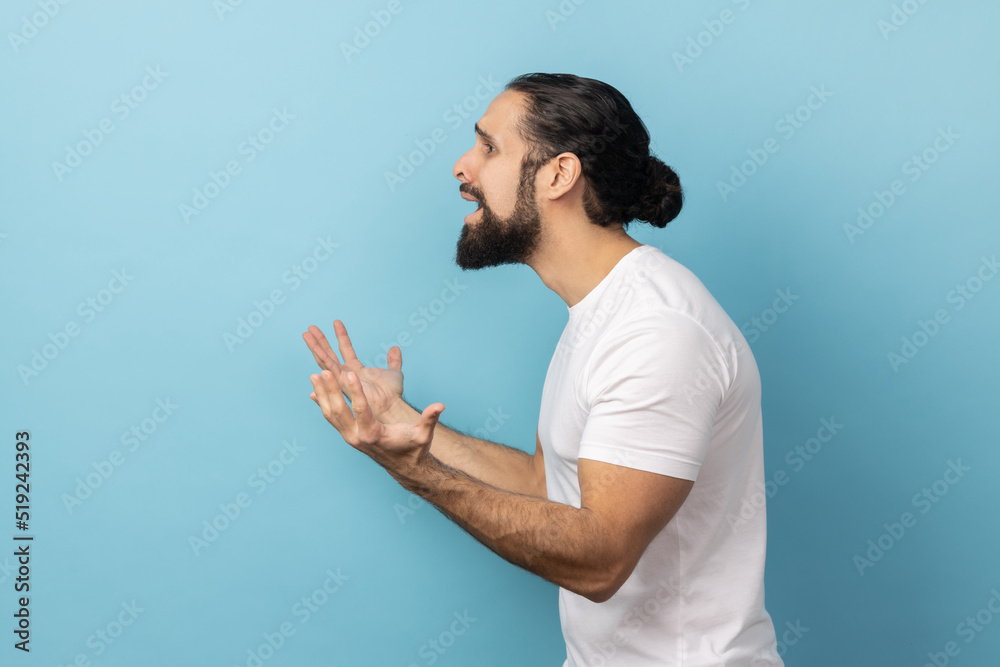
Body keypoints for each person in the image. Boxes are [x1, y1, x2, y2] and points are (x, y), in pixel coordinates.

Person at [302, 73, 783, 667]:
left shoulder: (657, 332)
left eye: (489, 147)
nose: (462, 166)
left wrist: (414, 471)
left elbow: (600, 560)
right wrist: (399, 422)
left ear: (559, 175)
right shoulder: (601, 312)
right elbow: (545, 484)